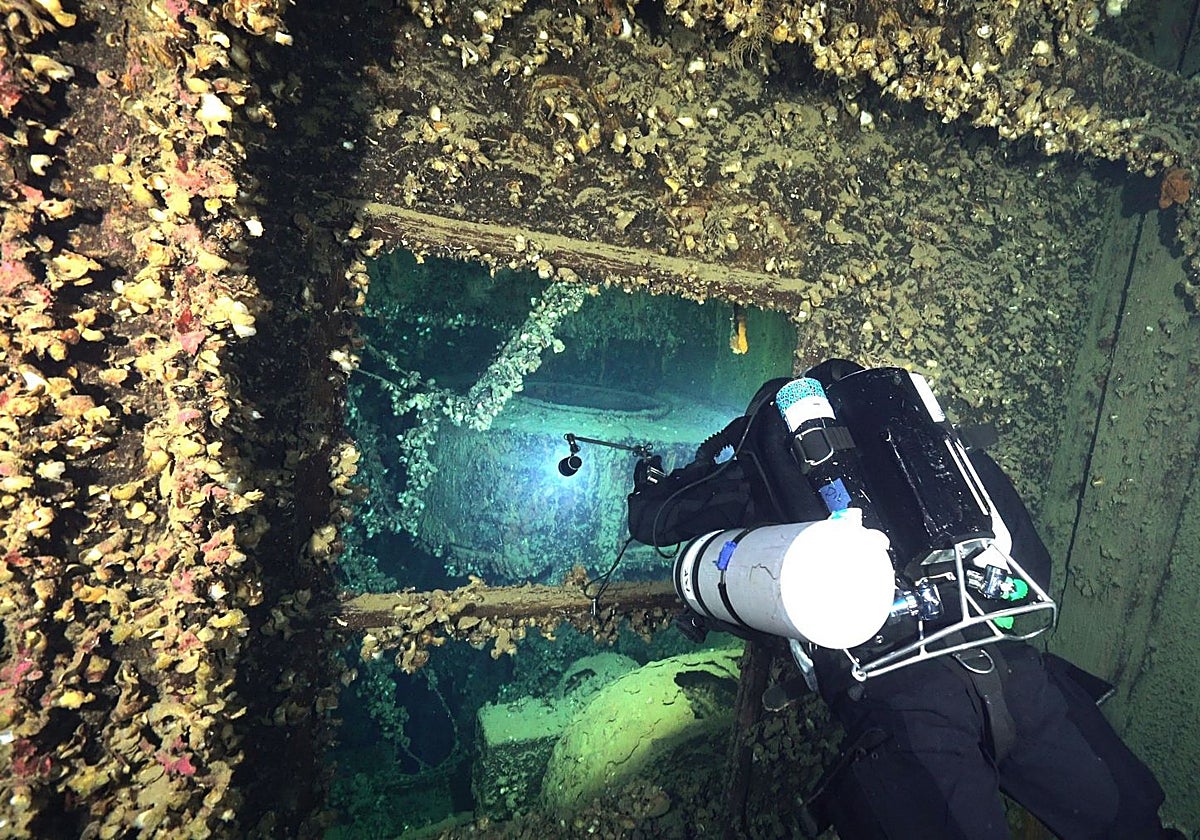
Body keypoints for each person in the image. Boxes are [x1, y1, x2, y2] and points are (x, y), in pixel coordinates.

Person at [627, 359, 1177, 839]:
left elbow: (654, 520)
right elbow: (1027, 553)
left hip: (905, 700)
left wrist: (665, 478)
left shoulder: (763, 457)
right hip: (1012, 665)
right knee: (1125, 825)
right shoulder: (934, 449)